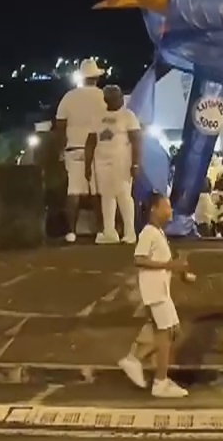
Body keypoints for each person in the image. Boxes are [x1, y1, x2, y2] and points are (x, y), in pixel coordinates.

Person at [117, 192, 193, 399]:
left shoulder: (158, 232)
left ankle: (133, 359)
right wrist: (170, 265)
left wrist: (181, 272)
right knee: (166, 333)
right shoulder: (148, 232)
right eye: (166, 207)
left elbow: (163, 263)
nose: (170, 211)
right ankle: (160, 381)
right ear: (154, 209)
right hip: (155, 291)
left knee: (168, 330)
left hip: (160, 290)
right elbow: (139, 259)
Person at [54, 59, 109, 242]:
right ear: (96, 78)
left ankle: (71, 232)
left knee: (74, 191)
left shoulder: (69, 97)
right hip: (99, 149)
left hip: (74, 148)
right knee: (97, 191)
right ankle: (101, 230)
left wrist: (60, 149)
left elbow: (60, 125)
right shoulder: (103, 97)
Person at [83, 83, 143, 245]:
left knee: (123, 195)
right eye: (117, 98)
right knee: (106, 195)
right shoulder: (97, 116)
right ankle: (109, 231)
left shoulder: (128, 116)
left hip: (122, 161)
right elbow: (90, 142)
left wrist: (136, 164)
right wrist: (87, 165)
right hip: (101, 161)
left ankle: (130, 232)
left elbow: (137, 141)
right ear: (107, 100)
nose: (121, 100)